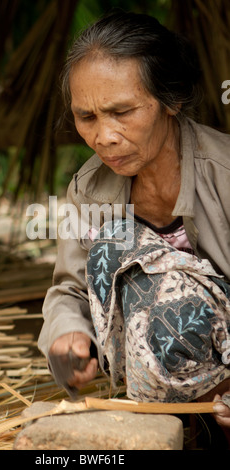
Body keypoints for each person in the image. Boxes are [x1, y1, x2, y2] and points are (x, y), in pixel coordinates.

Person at [37, 11, 230, 445]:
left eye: (122, 111)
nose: (104, 135)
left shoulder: (225, 173)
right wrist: (69, 334)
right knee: (109, 248)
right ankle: (175, 425)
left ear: (171, 100)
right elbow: (69, 289)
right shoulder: (89, 190)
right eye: (86, 117)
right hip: (149, 386)